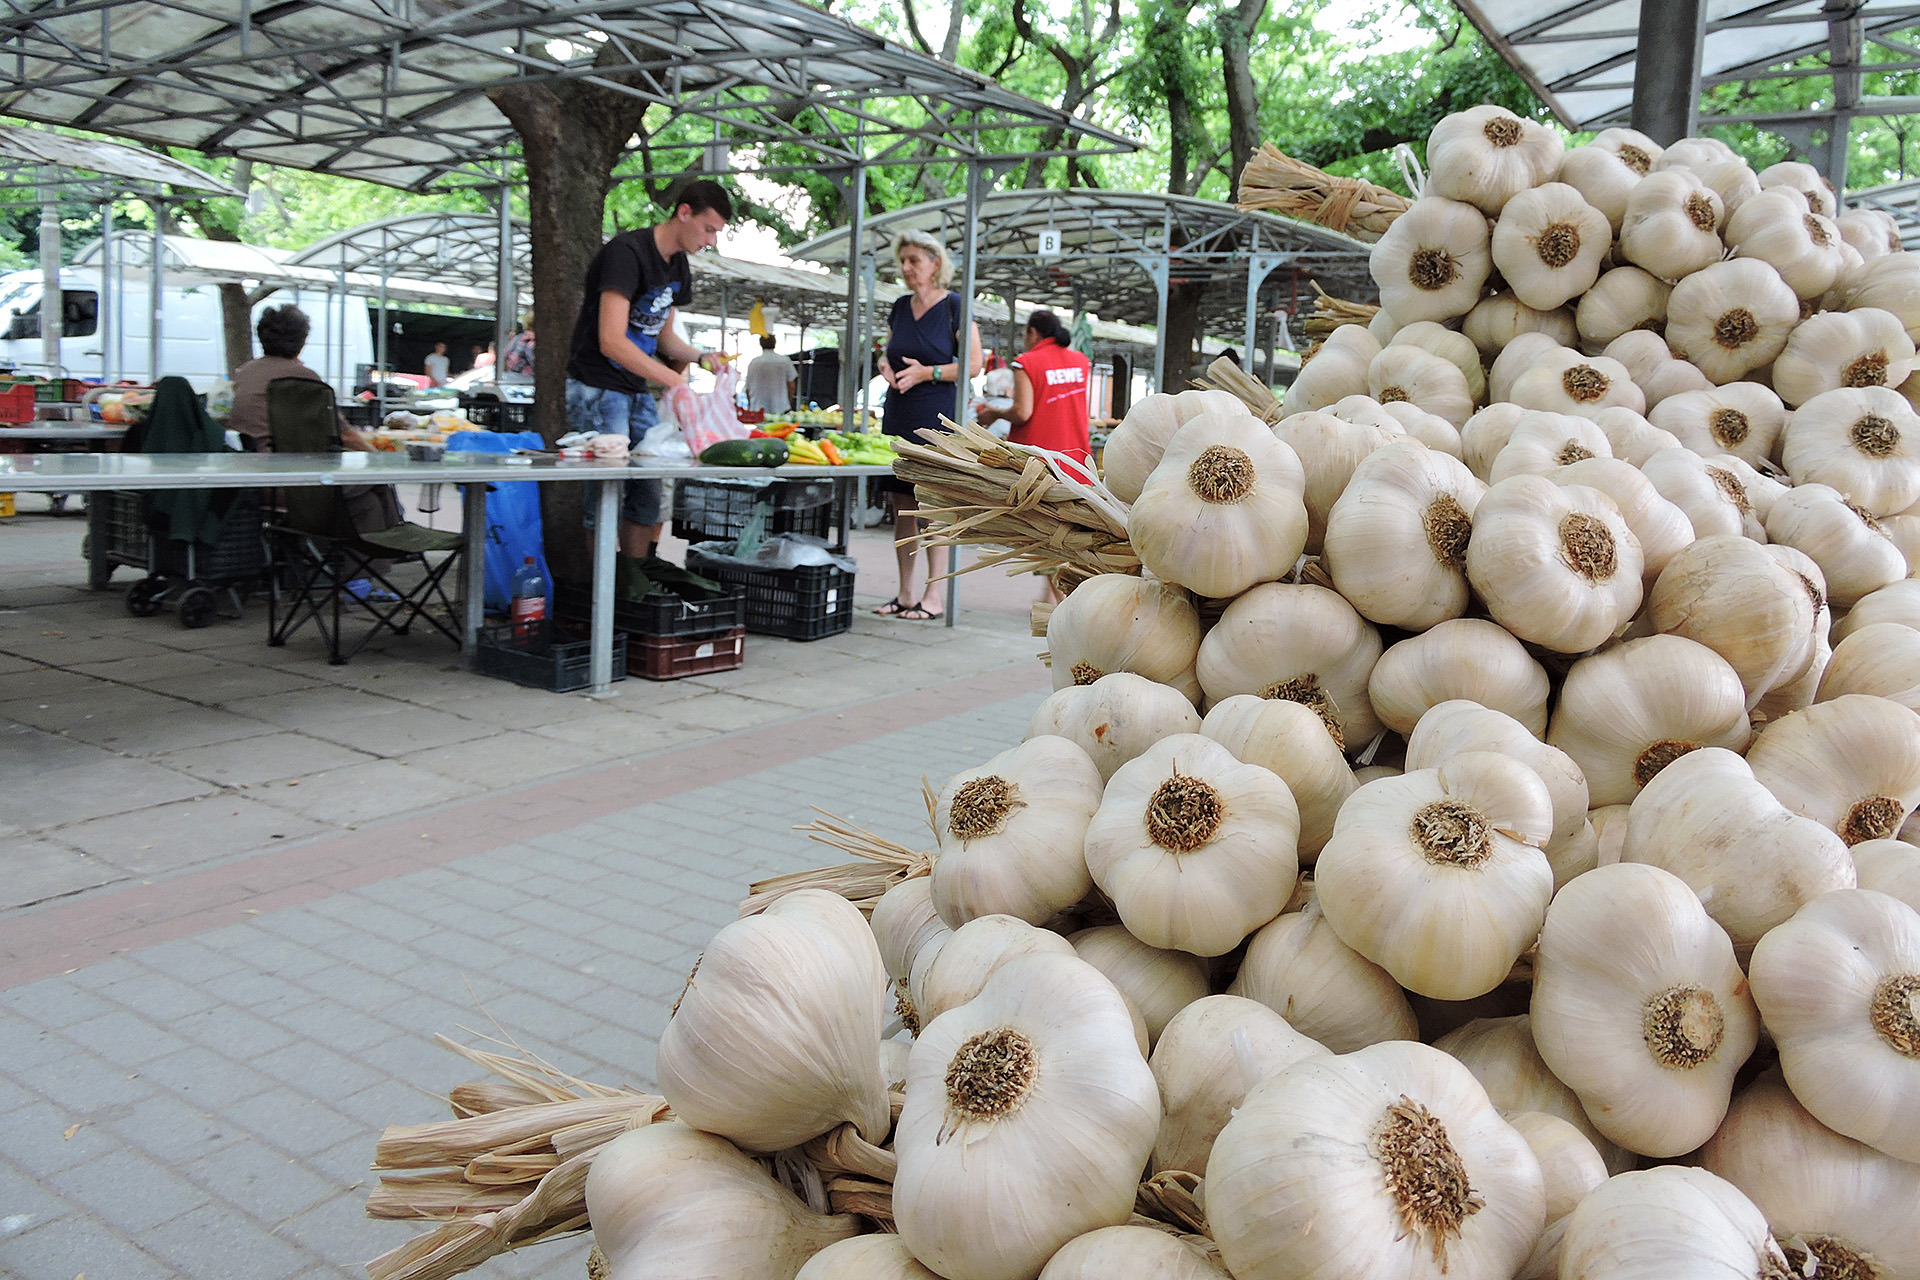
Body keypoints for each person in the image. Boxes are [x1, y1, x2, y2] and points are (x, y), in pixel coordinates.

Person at [566, 178, 731, 559]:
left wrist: (701, 357)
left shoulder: (679, 268)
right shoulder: (627, 252)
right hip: (596, 385)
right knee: (605, 496)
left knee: (648, 492)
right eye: (709, 229)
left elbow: (663, 337)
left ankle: (632, 584)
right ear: (683, 212)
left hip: (635, 388)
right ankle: (599, 594)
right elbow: (611, 339)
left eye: (717, 233)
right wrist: (673, 379)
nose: (711, 241)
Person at [874, 229, 983, 620]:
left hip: (937, 417)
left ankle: (934, 596)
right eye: (902, 261)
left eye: (914, 261)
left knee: (932, 505)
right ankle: (904, 593)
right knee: (902, 506)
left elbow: (973, 364)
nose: (906, 268)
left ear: (935, 264)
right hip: (899, 413)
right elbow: (886, 353)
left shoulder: (954, 305)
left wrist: (927, 374)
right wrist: (884, 367)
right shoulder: (901, 306)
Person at [228, 304, 375, 455]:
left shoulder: (245, 372)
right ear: (302, 340)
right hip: (284, 465)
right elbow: (344, 435)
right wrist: (377, 457)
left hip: (245, 459)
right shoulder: (304, 378)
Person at [975, 309, 1094, 469]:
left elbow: (1022, 412)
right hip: (1076, 459)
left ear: (1032, 332)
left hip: (1038, 461)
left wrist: (995, 413)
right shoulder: (1081, 361)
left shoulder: (1026, 363)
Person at [743, 334, 797, 414]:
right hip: (781, 408)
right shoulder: (785, 361)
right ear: (775, 344)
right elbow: (791, 385)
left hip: (757, 408)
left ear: (760, 344)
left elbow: (748, 388)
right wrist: (788, 403)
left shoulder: (754, 363)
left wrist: (751, 405)